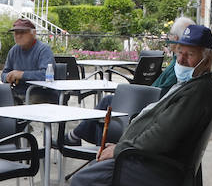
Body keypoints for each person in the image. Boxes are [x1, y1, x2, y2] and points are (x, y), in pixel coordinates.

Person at [16, 24, 212, 186]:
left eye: (188, 55)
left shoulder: (198, 92)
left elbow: (161, 137)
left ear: (206, 58)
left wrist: (120, 150)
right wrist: (122, 147)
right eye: (178, 53)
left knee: (85, 179)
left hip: (160, 168)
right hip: (152, 160)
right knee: (94, 171)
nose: (180, 59)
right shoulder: (193, 87)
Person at [68, 15, 194, 146]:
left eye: (171, 35)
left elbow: (163, 95)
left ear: (177, 39)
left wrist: (138, 93)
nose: (169, 37)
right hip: (148, 100)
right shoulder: (177, 62)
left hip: (146, 105)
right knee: (104, 116)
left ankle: (78, 137)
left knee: (107, 103)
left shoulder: (180, 66)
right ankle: (80, 137)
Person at [0, 17, 55, 102]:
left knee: (33, 100)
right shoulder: (14, 50)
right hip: (17, 92)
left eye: (22, 32)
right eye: (16, 33)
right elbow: (4, 73)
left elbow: (46, 75)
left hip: (40, 92)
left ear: (33, 33)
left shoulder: (43, 50)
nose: (18, 36)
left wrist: (21, 75)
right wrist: (8, 77)